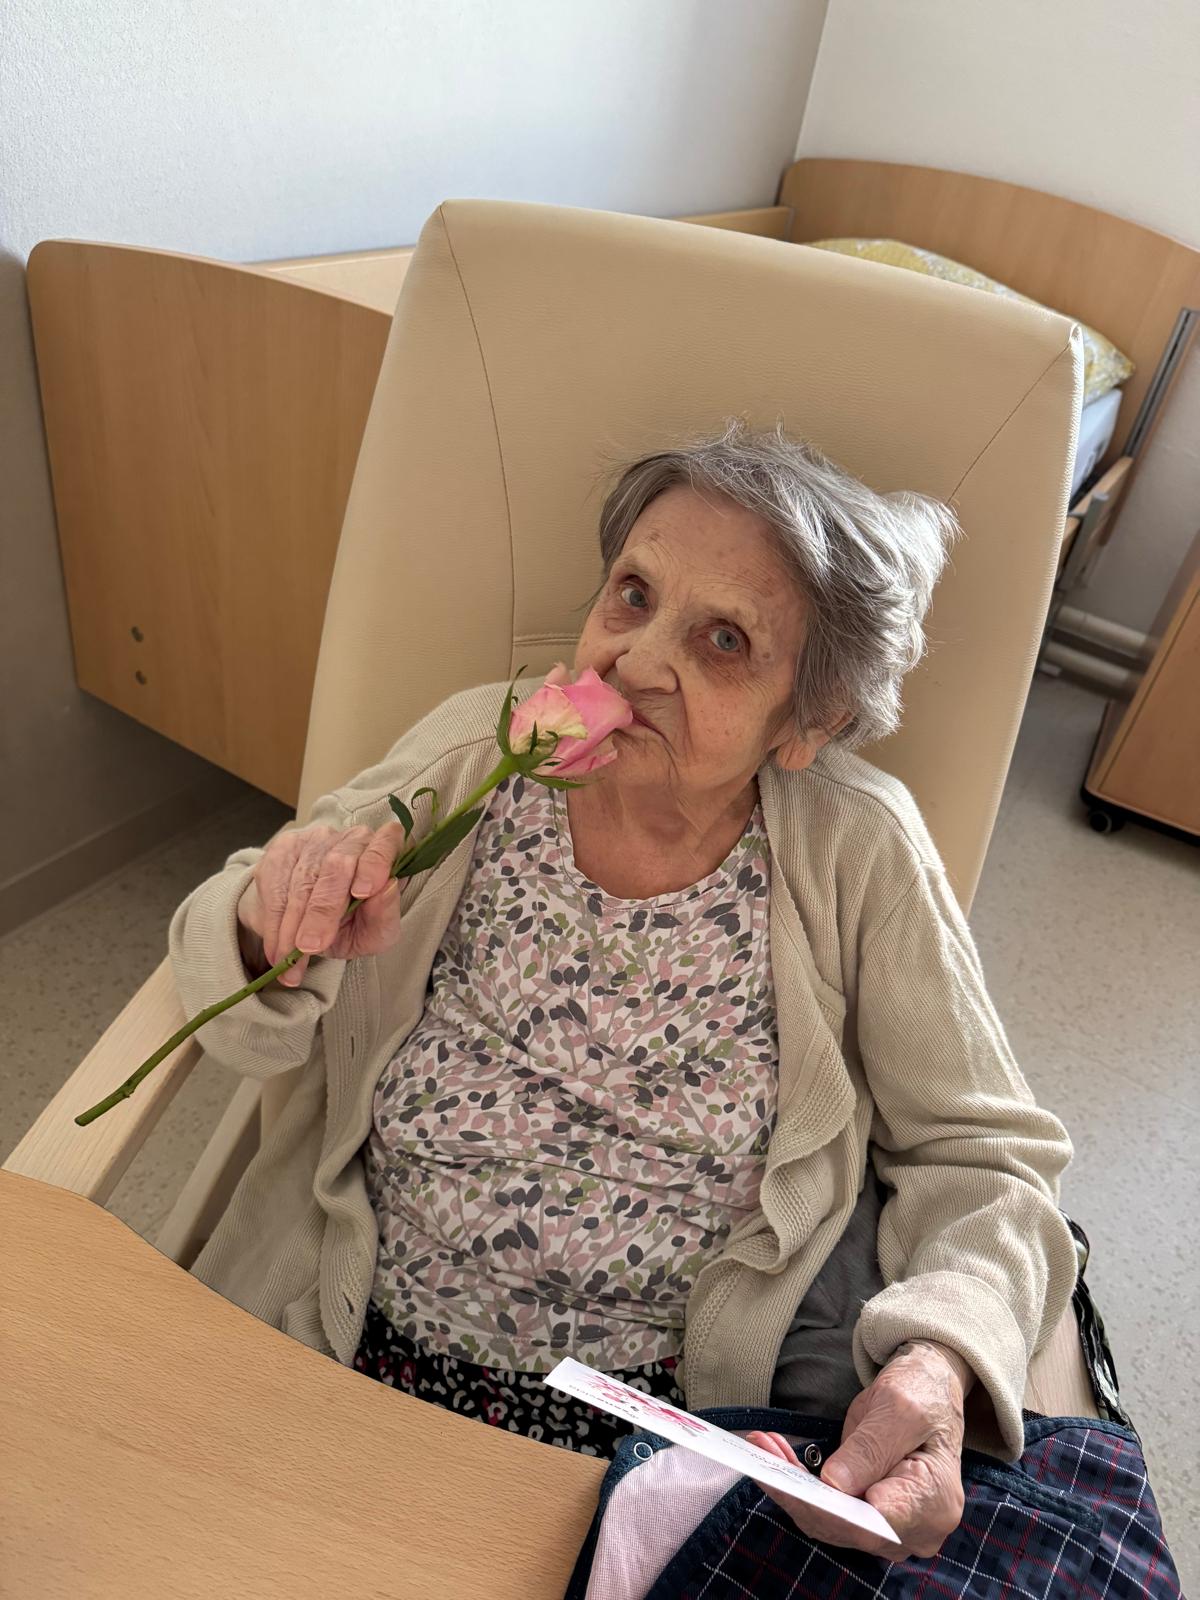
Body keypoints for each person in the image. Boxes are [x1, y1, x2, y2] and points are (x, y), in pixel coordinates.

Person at [170, 418, 1078, 1563]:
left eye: (724, 640)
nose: (635, 661)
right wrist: (273, 918)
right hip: (344, 1343)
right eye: (633, 595)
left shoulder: (859, 851)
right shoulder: (483, 749)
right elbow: (241, 962)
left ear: (812, 723)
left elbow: (986, 1158)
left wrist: (943, 1353)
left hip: (645, 1439)